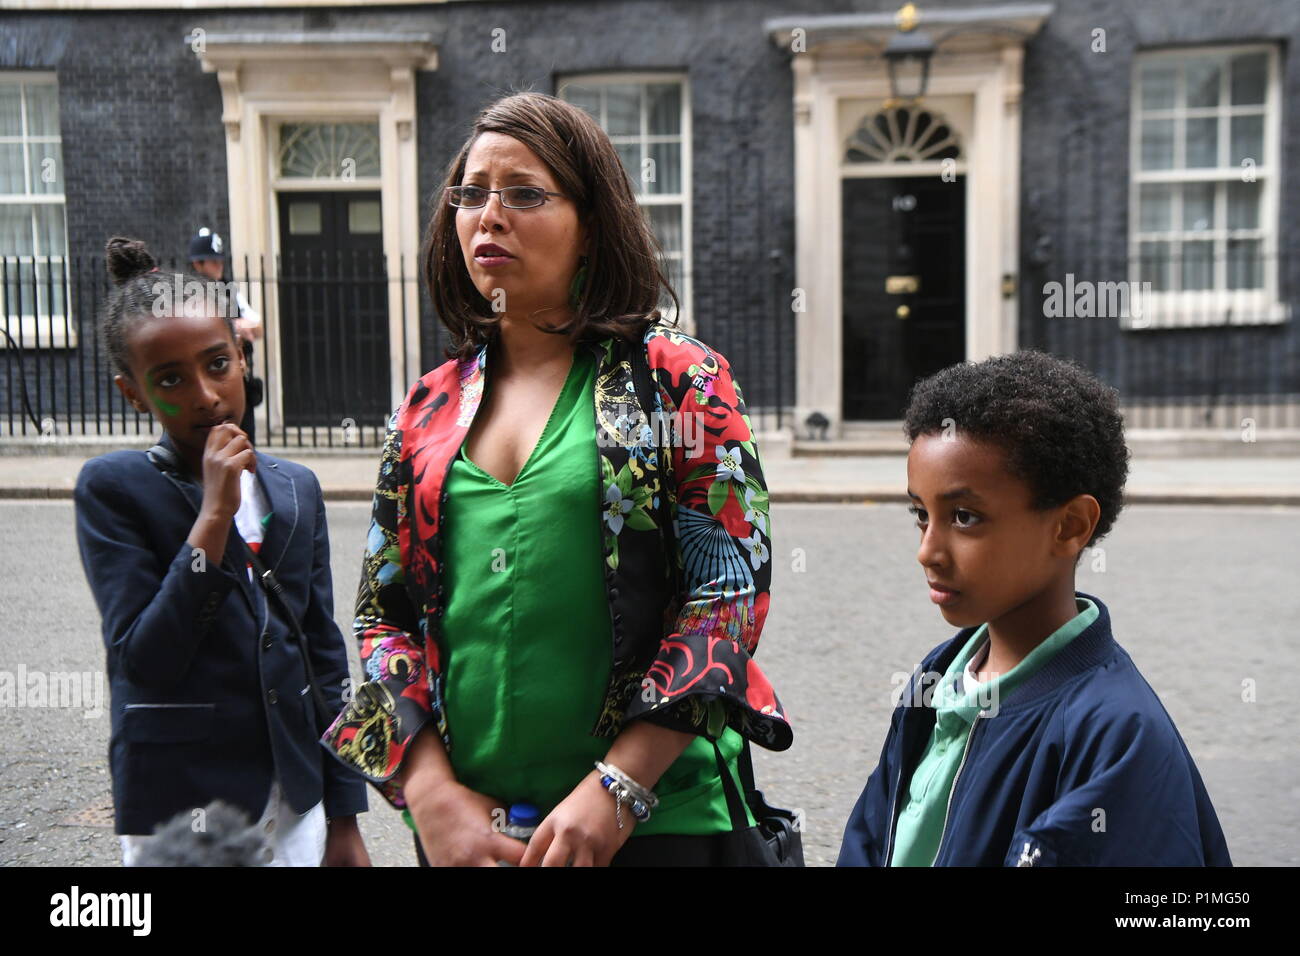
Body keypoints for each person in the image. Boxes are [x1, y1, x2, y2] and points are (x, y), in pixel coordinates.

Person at [321, 92, 792, 866]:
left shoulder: (680, 379)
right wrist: (429, 795)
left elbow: (729, 594)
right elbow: (382, 615)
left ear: (591, 226)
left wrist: (620, 788)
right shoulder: (426, 407)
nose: (488, 215)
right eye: (470, 193)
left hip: (657, 827)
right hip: (474, 836)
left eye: (525, 193)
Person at [837, 351, 1231, 866]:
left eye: (964, 516)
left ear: (1069, 526)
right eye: (920, 514)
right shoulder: (938, 675)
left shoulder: (1117, 735)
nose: (927, 551)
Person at [74, 237, 370, 866]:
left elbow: (322, 651)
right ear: (135, 394)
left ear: (242, 355)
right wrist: (213, 516)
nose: (204, 394)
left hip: (294, 803)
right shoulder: (114, 490)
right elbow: (145, 660)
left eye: (216, 364)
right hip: (185, 811)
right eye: (170, 379)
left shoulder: (297, 488)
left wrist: (344, 819)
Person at [189, 227, 262, 444]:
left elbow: (257, 326)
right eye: (213, 261)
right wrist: (235, 327)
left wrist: (236, 326)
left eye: (220, 260)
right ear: (198, 264)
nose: (219, 265)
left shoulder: (229, 289)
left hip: (238, 378)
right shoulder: (189, 293)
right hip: (212, 381)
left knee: (246, 441)